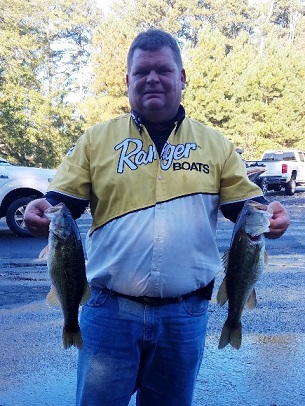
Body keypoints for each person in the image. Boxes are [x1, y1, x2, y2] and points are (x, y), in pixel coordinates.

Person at [24, 29, 289, 406]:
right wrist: (40, 210)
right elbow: (59, 203)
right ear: (127, 80)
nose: (152, 78)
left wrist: (276, 218)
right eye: (141, 71)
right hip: (108, 314)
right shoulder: (95, 140)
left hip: (185, 316)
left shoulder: (216, 144)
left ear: (182, 78)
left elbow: (252, 209)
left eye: (164, 70)